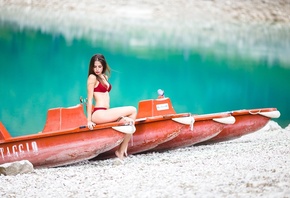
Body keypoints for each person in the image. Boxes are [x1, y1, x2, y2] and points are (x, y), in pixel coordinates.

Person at [86, 54, 137, 161]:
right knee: (133, 109)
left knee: (129, 121)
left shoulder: (104, 77)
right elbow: (89, 100)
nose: (97, 69)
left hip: (106, 112)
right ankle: (124, 144)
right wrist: (89, 121)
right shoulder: (92, 78)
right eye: (95, 67)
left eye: (99, 66)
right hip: (98, 113)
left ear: (103, 66)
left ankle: (120, 151)